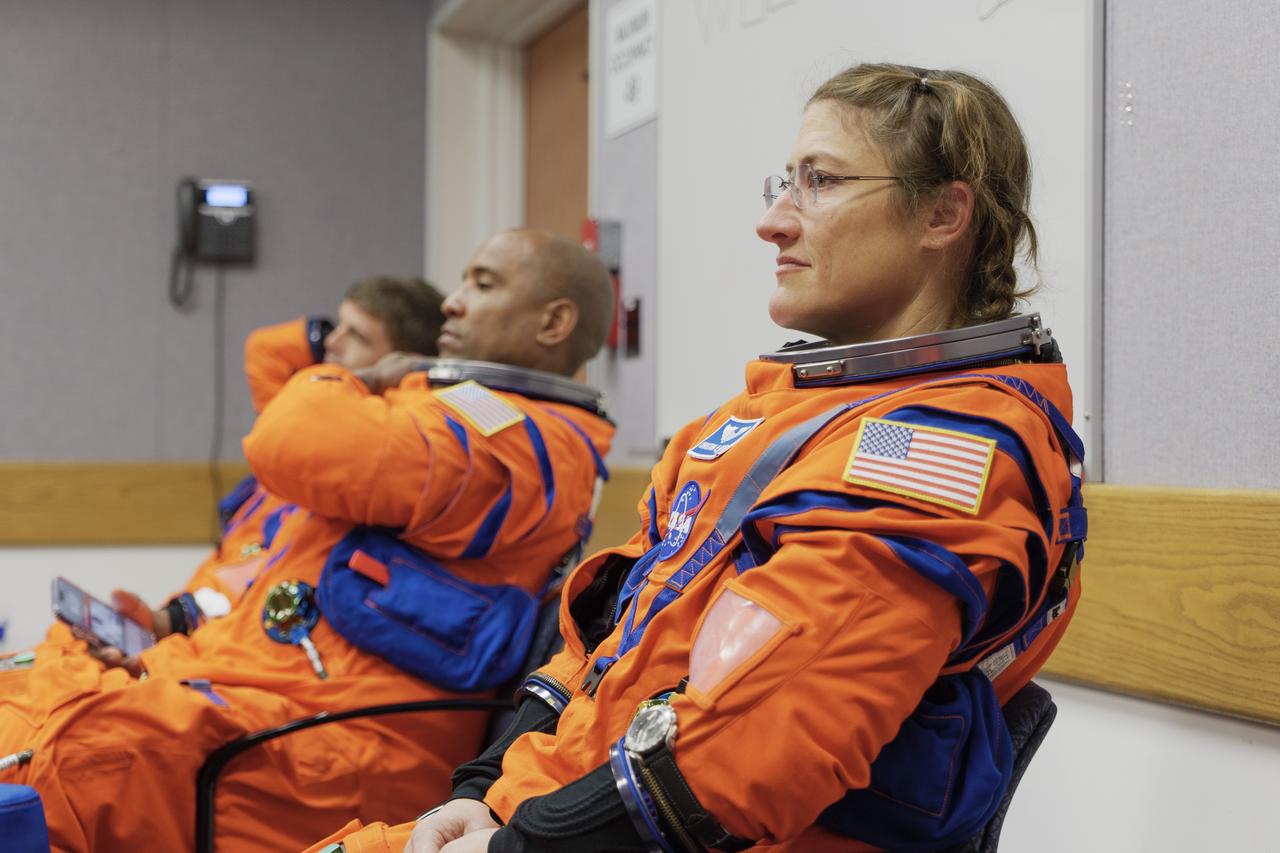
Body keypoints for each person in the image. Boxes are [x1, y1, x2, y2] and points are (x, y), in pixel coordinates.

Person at [308, 63, 1087, 853]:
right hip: (552, 804)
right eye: (783, 183)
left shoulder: (938, 445)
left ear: (943, 213)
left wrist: (522, 841)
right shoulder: (767, 418)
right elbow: (607, 635)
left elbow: (754, 752)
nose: (775, 221)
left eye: (819, 181)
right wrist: (487, 789)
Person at [0, 230, 615, 853]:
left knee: (52, 759)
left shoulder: (514, 433)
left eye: (482, 284)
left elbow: (289, 439)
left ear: (554, 322)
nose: (452, 303)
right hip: (261, 695)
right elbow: (281, 394)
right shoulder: (455, 408)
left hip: (330, 742)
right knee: (32, 686)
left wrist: (362, 378)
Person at [67, 275, 448, 660]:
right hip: (203, 620)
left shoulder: (361, 468)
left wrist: (362, 379)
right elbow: (265, 351)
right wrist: (166, 622)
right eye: (337, 327)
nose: (332, 343)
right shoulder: (307, 433)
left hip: (229, 648)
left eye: (358, 336)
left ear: (397, 365)